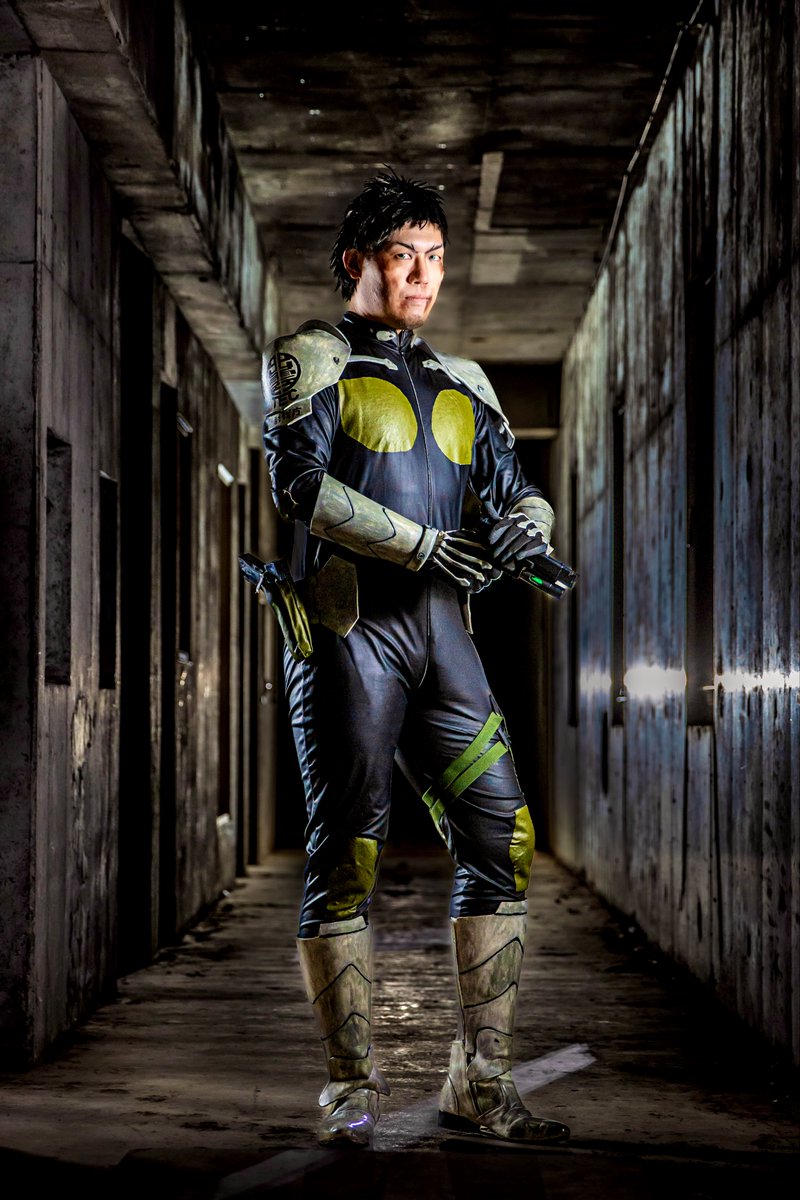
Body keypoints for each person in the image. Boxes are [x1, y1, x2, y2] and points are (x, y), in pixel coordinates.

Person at [261, 170, 569, 1148]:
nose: (424, 276)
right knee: (345, 852)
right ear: (358, 260)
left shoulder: (465, 380)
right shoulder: (310, 357)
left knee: (503, 840)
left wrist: (525, 532)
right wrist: (425, 543)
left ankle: (479, 1081)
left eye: (435, 258)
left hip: (442, 638)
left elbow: (518, 489)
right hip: (350, 635)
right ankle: (350, 1089)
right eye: (404, 257)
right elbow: (298, 485)